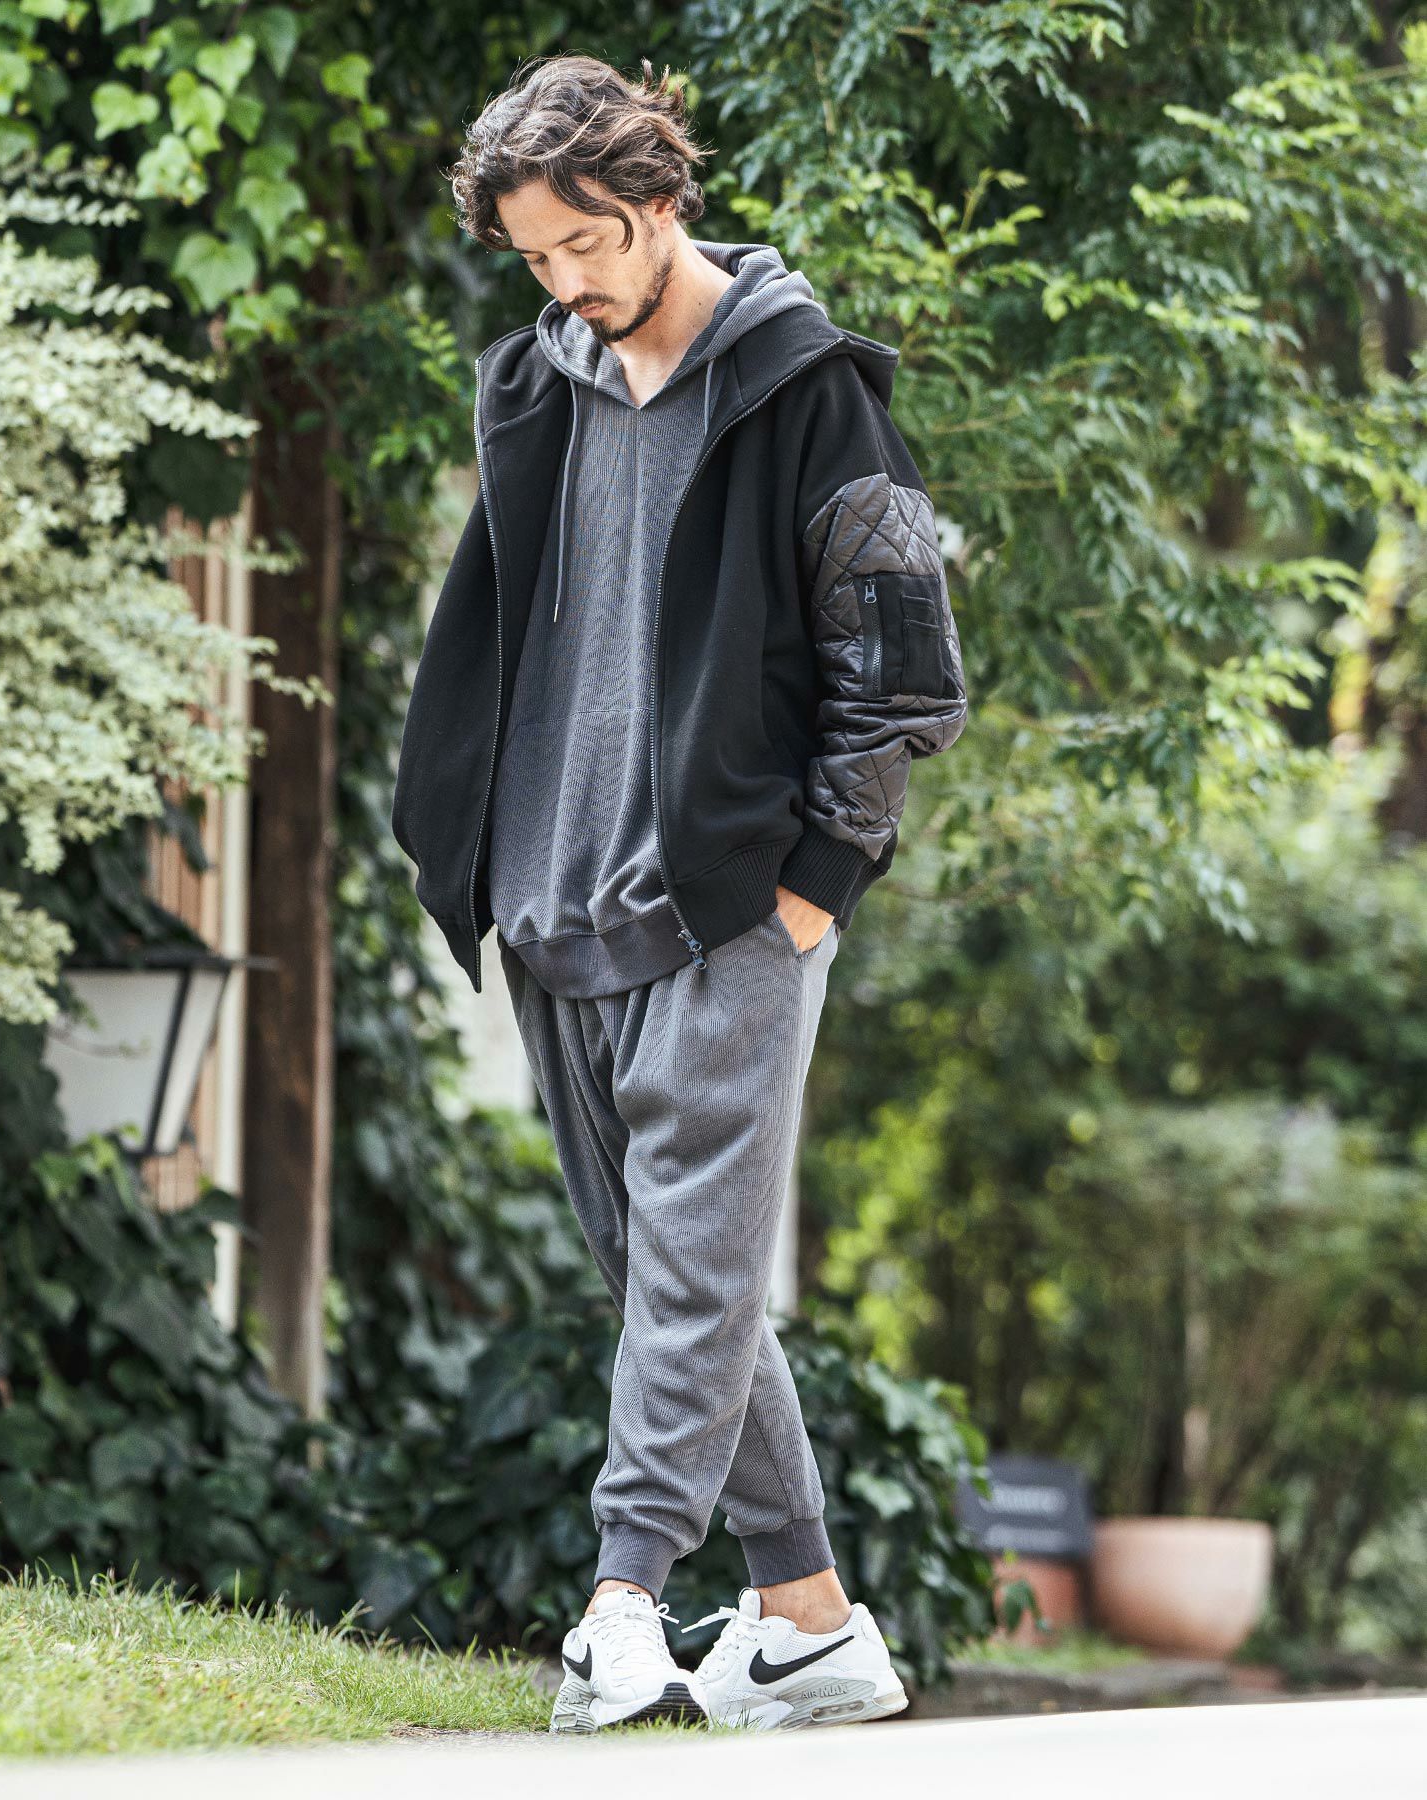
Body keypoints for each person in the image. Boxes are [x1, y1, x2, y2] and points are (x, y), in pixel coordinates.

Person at [391, 51, 968, 1733]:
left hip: (730, 910)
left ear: (657, 198)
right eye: (534, 255)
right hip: (551, 905)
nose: (565, 279)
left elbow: (902, 664)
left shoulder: (801, 387)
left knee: (694, 1279)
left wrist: (819, 883)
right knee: (665, 1281)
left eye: (585, 242)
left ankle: (622, 1603)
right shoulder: (538, 382)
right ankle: (809, 1625)